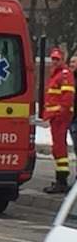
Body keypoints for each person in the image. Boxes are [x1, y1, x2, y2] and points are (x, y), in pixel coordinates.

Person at [44, 47, 75, 194]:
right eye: (53, 59)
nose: (54, 61)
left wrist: (61, 112)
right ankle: (60, 179)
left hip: (60, 117)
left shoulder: (64, 75)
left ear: (62, 60)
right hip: (55, 117)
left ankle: (62, 180)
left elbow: (67, 97)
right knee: (57, 148)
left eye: (57, 59)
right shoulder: (56, 75)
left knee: (60, 148)